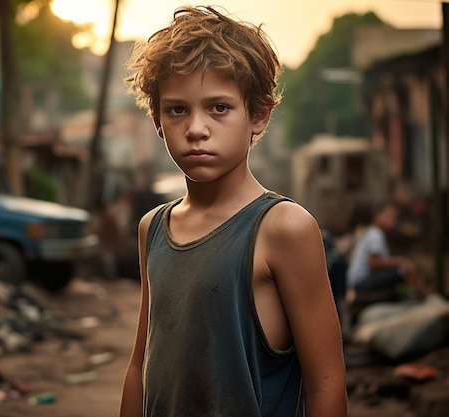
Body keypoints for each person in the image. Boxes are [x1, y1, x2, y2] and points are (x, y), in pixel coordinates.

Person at [119, 6, 347, 417]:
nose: (196, 128)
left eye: (219, 108)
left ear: (258, 115)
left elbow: (326, 386)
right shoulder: (152, 228)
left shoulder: (282, 228)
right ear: (157, 120)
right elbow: (140, 365)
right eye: (177, 110)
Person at [347, 201, 433, 299]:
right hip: (361, 282)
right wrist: (400, 261)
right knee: (403, 270)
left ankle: (422, 293)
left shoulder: (372, 232)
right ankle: (425, 295)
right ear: (377, 215)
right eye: (388, 216)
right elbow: (373, 263)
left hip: (360, 281)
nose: (392, 221)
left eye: (394, 218)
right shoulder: (375, 234)